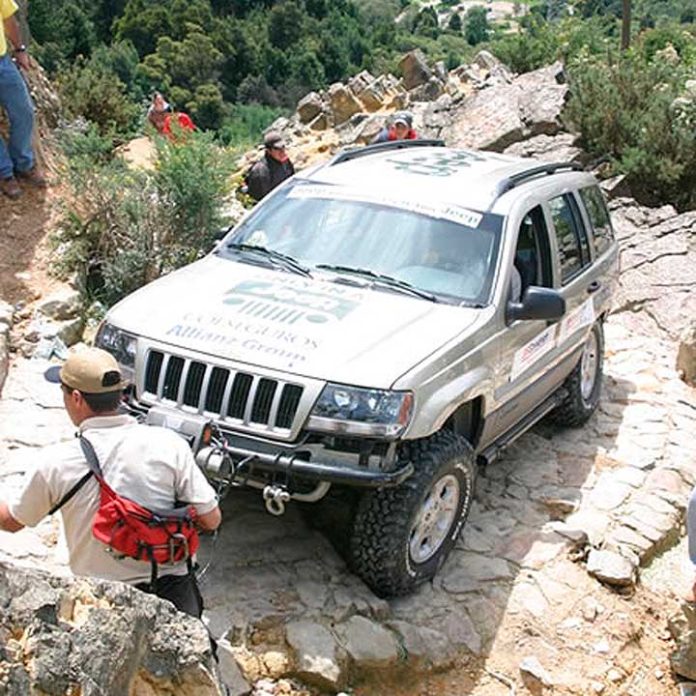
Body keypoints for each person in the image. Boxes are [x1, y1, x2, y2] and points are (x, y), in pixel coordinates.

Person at [0, 347, 221, 618]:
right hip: (175, 599)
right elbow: (212, 520)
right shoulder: (169, 443)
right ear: (119, 394)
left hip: (101, 604)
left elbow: (11, 521)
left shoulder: (57, 462)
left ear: (77, 398)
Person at [0, 0, 46, 199]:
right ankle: (5, 173)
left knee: (24, 112)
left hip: (2, 62)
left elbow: (8, 19)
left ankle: (23, 163)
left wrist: (20, 49)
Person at [245, 130, 295, 202]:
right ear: (268, 151)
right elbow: (263, 200)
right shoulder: (261, 171)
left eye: (283, 147)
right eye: (277, 149)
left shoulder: (286, 162)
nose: (282, 151)